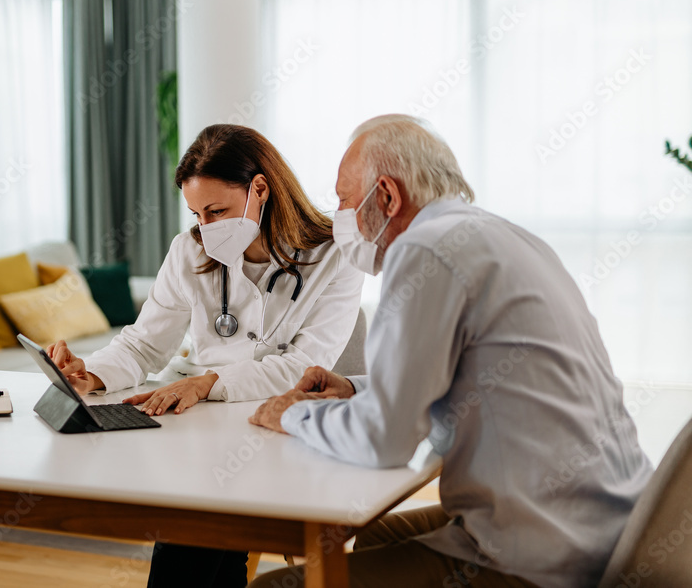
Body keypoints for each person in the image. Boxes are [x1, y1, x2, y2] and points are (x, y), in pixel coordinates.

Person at [248, 114, 653, 588]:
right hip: (615, 528)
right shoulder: (502, 236)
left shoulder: (425, 250)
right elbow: (456, 376)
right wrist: (354, 390)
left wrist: (291, 414)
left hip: (538, 558)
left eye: (343, 200)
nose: (337, 216)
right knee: (375, 534)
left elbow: (385, 441)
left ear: (387, 196)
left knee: (274, 587)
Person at [47, 123, 364, 588]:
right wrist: (89, 373)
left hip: (279, 429)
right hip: (206, 434)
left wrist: (207, 382)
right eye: (197, 214)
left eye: (217, 210)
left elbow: (302, 368)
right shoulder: (187, 252)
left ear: (260, 188)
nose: (206, 228)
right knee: (195, 524)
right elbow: (143, 344)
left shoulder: (337, 255)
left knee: (195, 530)